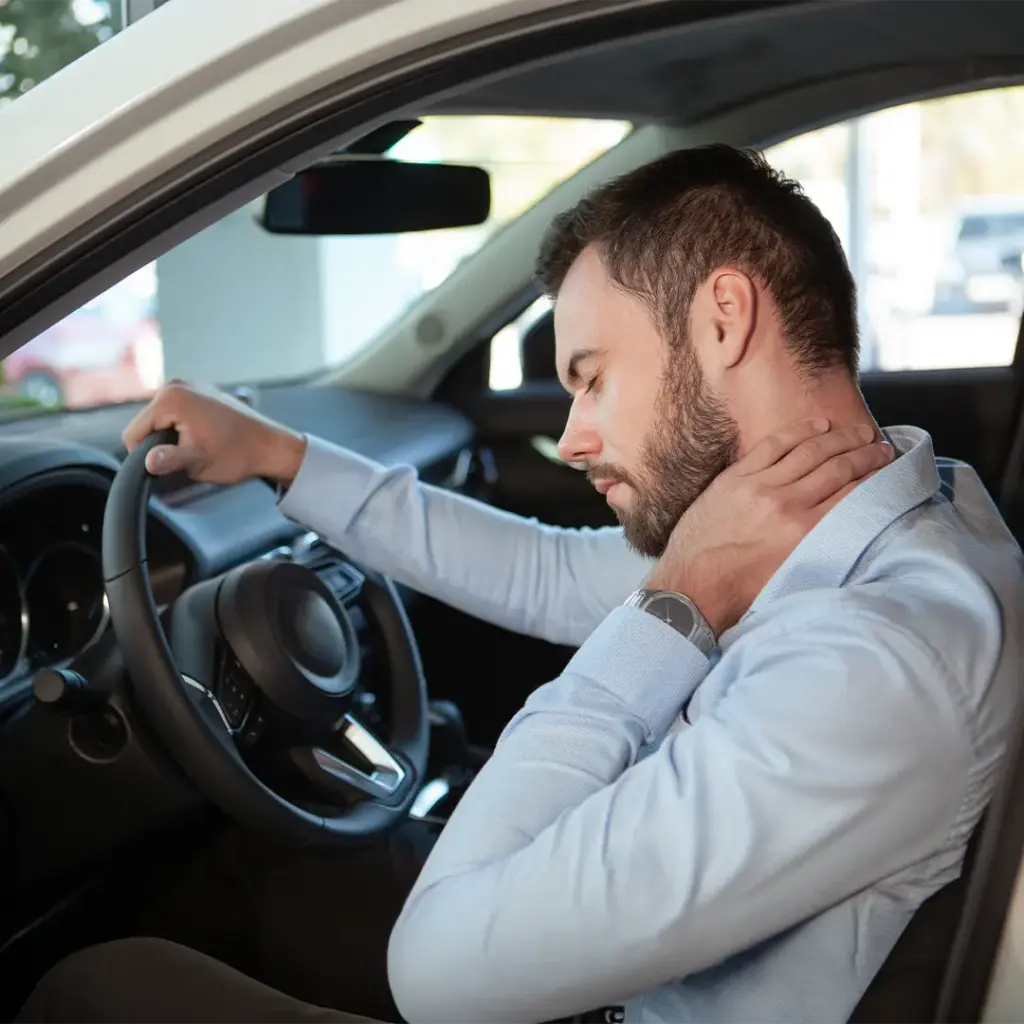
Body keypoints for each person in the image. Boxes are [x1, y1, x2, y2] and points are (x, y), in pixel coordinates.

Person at [15, 144, 1024, 1024]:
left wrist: (670, 609)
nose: (574, 434)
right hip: (622, 960)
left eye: (590, 374)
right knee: (259, 873)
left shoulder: (866, 664)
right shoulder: (894, 505)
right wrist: (283, 456)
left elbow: (437, 971)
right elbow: (545, 569)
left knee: (103, 987)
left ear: (722, 318)